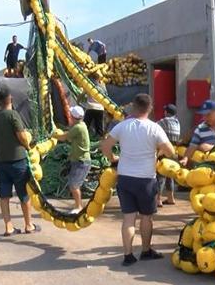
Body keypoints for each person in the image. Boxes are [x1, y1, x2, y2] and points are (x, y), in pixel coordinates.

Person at [100, 93, 176, 266]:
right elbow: (171, 151)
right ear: (150, 109)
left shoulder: (122, 126)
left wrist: (113, 158)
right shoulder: (154, 128)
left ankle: (128, 255)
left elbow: (105, 146)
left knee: (128, 218)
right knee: (146, 218)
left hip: (125, 177)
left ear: (133, 107)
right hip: (146, 179)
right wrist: (159, 152)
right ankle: (146, 251)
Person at [0, 87, 40, 236]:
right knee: (24, 194)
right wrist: (27, 146)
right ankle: (28, 225)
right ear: (10, 99)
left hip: (2, 161)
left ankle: (8, 227)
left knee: (4, 195)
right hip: (17, 160)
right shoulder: (13, 115)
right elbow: (21, 135)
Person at [53, 106, 91, 211]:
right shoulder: (81, 124)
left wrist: (53, 135)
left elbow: (64, 137)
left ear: (73, 117)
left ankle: (79, 207)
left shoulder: (78, 127)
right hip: (78, 160)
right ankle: (77, 206)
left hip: (81, 162)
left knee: (74, 186)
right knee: (73, 185)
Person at [180, 100, 215, 166]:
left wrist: (212, 147)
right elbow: (192, 146)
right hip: (209, 166)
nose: (205, 118)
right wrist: (185, 158)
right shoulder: (200, 128)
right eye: (203, 115)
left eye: (208, 114)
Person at [156, 104, 180, 206]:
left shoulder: (163, 121)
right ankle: (171, 198)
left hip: (164, 150)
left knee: (160, 175)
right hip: (174, 151)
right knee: (170, 174)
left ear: (166, 112)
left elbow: (153, 128)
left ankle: (158, 200)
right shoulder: (177, 122)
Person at [83, 73, 107, 137]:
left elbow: (82, 94)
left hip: (90, 107)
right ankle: (100, 140)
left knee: (85, 125)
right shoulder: (103, 86)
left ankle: (83, 137)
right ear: (98, 79)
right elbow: (106, 96)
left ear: (92, 79)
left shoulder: (89, 85)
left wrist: (78, 101)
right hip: (100, 108)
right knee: (99, 127)